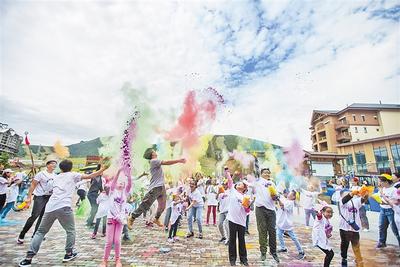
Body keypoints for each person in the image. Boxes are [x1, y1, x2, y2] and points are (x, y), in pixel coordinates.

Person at [19, 159, 107, 266]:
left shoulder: (55, 177)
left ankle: (28, 258)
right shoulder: (73, 175)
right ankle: (69, 253)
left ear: (60, 168)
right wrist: (104, 168)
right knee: (70, 231)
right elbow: (91, 176)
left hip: (50, 207)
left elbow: (46, 188)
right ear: (70, 167)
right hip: (64, 207)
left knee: (40, 232)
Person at [127, 148, 185, 229]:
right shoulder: (153, 161)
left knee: (162, 206)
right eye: (154, 151)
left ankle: (156, 219)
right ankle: (132, 218)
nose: (155, 152)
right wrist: (179, 160)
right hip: (155, 188)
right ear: (152, 154)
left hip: (161, 187)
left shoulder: (155, 161)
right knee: (145, 205)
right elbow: (166, 162)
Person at [17, 160, 57, 244]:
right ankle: (22, 234)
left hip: (48, 198)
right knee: (34, 216)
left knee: (43, 217)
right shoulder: (41, 174)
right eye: (52, 164)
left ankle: (36, 235)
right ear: (47, 165)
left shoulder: (55, 175)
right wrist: (28, 197)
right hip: (39, 197)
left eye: (55, 164)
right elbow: (33, 185)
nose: (54, 165)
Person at [100, 167, 131, 267]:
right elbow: (113, 182)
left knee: (117, 241)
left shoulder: (125, 193)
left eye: (122, 182)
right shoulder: (112, 191)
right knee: (109, 241)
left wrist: (128, 174)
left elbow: (129, 184)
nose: (121, 184)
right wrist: (118, 171)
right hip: (111, 218)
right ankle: (104, 260)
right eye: (119, 182)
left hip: (121, 220)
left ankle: (118, 260)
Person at [251, 168, 280, 263]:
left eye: (268, 172)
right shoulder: (258, 182)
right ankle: (263, 252)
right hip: (260, 209)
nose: (267, 174)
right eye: (265, 172)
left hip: (271, 209)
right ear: (261, 174)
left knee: (272, 230)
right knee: (262, 230)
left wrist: (276, 197)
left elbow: (276, 195)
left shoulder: (272, 183)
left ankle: (273, 251)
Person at [338, 189, 369, 266]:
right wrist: (351, 194)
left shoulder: (355, 201)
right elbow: (345, 199)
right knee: (345, 245)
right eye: (346, 194)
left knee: (356, 244)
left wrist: (366, 194)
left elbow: (363, 199)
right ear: (341, 195)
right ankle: (344, 258)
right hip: (344, 227)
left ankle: (358, 259)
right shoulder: (341, 201)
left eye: (348, 193)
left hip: (355, 227)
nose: (348, 195)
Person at [226, 170, 250, 266]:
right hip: (232, 219)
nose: (239, 184)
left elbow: (248, 211)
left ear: (244, 188)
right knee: (232, 240)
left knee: (241, 240)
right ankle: (232, 260)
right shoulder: (232, 191)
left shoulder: (246, 197)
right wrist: (227, 171)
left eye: (241, 184)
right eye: (238, 183)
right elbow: (230, 180)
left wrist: (247, 206)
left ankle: (244, 259)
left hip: (242, 221)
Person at [276, 190, 305, 260]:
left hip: (287, 223)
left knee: (293, 237)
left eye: (290, 194)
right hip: (281, 222)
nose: (288, 194)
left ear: (294, 197)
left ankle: (301, 251)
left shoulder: (290, 203)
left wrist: (278, 199)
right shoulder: (286, 199)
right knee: (279, 234)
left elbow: (282, 206)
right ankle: (283, 248)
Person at [377, 174, 400, 248]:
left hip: (391, 210)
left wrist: (385, 201)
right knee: (381, 226)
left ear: (386, 182)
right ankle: (382, 242)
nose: (380, 183)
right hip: (382, 209)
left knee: (395, 229)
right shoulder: (382, 189)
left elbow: (395, 202)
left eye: (381, 182)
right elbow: (379, 197)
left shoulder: (394, 190)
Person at [217, 179, 230, 244]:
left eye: (226, 184)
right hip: (222, 211)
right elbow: (217, 199)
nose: (224, 185)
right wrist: (218, 193)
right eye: (223, 184)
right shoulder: (221, 192)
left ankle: (228, 239)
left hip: (228, 211)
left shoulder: (230, 191)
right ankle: (223, 236)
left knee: (226, 225)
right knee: (220, 224)